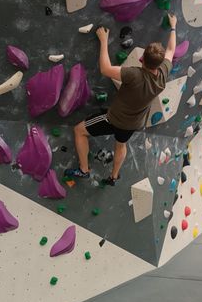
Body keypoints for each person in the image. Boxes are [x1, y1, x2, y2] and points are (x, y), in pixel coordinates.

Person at [65, 13, 177, 186]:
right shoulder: (162, 75)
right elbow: (171, 50)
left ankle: (84, 170)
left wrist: (103, 40)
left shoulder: (134, 74)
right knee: (121, 144)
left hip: (114, 119)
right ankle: (114, 176)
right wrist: (173, 27)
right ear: (159, 64)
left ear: (142, 59)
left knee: (79, 130)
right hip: (134, 123)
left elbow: (105, 69)